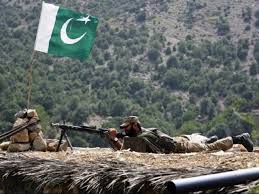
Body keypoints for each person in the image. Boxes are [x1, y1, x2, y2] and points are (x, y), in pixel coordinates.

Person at [107, 116, 254, 153]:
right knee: (198, 141)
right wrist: (116, 137)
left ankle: (238, 139)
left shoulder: (141, 138)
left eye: (127, 127)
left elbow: (125, 153)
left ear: (134, 125)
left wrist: (113, 139)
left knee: (209, 149)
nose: (125, 130)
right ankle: (206, 140)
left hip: (180, 147)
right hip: (176, 141)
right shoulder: (146, 130)